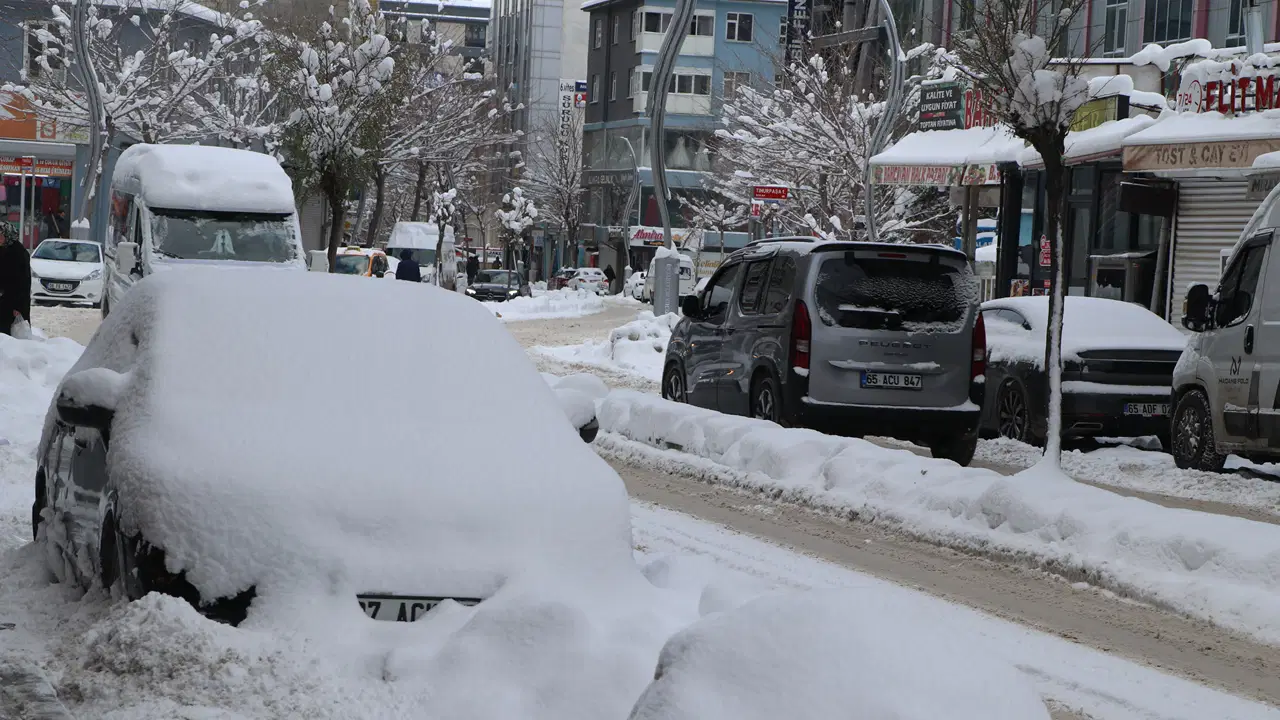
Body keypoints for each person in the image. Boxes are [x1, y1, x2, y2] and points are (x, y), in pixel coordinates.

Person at [0, 222, 31, 335]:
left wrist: (19, 307)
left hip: (14, 305)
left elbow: (23, 282)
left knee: (12, 338)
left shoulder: (19, 253)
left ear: (8, 235)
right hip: (3, 302)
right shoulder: (3, 249)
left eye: (1, 235)